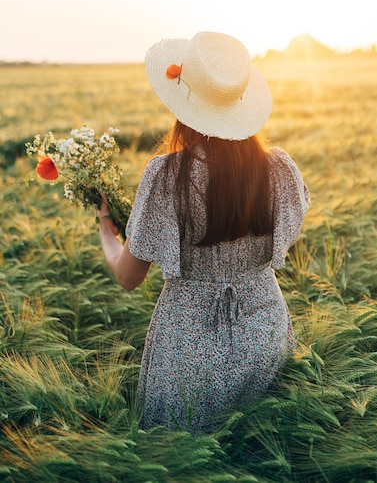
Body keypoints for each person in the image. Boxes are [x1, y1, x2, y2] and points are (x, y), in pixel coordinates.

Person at [97, 31, 310, 434]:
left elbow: (128, 276)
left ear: (183, 106)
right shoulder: (279, 169)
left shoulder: (167, 177)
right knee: (265, 447)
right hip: (264, 335)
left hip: (188, 346)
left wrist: (107, 230)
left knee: (181, 454)